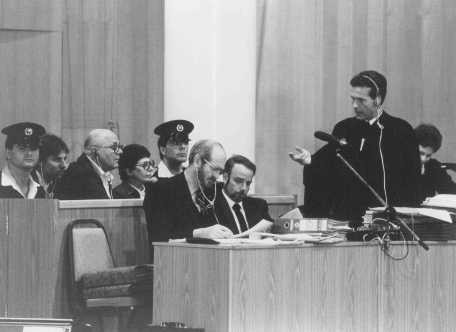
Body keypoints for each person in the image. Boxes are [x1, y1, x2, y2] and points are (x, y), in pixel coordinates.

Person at [289, 70, 420, 226]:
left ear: (377, 100)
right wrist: (311, 161)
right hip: (347, 218)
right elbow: (328, 169)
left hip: (389, 220)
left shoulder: (400, 130)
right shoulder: (344, 128)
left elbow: (412, 179)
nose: (355, 105)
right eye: (353, 99)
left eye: (361, 100)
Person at [144, 139, 233, 242]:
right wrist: (198, 233)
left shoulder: (214, 192)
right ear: (197, 161)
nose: (217, 176)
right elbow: (159, 235)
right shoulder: (161, 190)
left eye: (220, 172)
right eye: (214, 169)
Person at [55, 129, 123, 199]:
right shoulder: (77, 175)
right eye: (114, 147)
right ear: (94, 150)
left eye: (120, 147)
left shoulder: (99, 173)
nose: (120, 151)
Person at [215, 155, 273, 234]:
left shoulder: (259, 206)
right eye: (238, 181)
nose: (244, 188)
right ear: (225, 178)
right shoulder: (212, 205)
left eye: (248, 183)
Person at [0, 122, 46, 198]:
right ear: (8, 153)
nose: (29, 153)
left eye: (33, 148)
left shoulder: (40, 191)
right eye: (22, 148)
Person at [415, 124, 456, 201]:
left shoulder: (434, 166)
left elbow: (451, 191)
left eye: (428, 155)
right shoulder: (400, 164)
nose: (423, 159)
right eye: (421, 153)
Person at [32, 134, 69, 198]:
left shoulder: (61, 183)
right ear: (40, 161)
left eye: (65, 159)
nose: (64, 165)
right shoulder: (27, 184)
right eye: (57, 160)